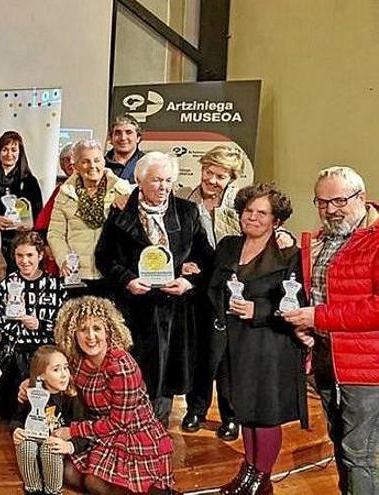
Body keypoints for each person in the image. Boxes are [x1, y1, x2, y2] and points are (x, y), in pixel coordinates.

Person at [94, 152, 213, 425]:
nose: (164, 187)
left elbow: (205, 255)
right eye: (157, 180)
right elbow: (104, 257)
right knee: (133, 375)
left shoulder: (187, 211)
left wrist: (187, 281)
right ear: (140, 180)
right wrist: (127, 280)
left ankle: (156, 431)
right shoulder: (120, 211)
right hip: (134, 309)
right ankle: (128, 428)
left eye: (169, 180)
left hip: (174, 312)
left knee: (165, 379)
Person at [283, 166, 379, 495]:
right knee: (339, 443)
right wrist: (308, 330)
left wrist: (318, 317)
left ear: (361, 198)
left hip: (368, 367)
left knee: (360, 453)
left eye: (339, 200)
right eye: (322, 202)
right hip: (326, 357)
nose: (331, 210)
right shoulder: (320, 241)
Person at [205, 184, 307, 494]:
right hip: (232, 342)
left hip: (269, 344)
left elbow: (297, 303)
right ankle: (248, 472)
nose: (253, 217)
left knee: (265, 413)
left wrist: (258, 309)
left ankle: (262, 479)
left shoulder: (290, 253)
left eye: (262, 213)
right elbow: (212, 285)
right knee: (244, 410)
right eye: (248, 211)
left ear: (277, 220)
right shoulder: (227, 246)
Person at [49, 296, 174, 494]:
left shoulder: (121, 366)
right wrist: (30, 383)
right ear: (73, 333)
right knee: (68, 473)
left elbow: (119, 423)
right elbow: (49, 365)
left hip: (133, 432)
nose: (90, 336)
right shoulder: (77, 360)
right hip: (101, 429)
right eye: (83, 329)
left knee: (93, 482)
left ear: (108, 330)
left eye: (97, 328)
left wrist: (72, 431)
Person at [0, 232, 66, 420]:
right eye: (19, 255)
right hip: (15, 350)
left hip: (45, 350)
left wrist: (41, 324)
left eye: (29, 255)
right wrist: (14, 325)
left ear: (40, 255)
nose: (24, 261)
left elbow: (64, 322)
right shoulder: (7, 285)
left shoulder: (55, 286)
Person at [47, 139, 133, 297]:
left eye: (97, 160)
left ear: (104, 161)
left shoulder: (122, 189)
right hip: (77, 274)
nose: (92, 166)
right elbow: (55, 233)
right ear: (76, 166)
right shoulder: (65, 193)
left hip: (111, 274)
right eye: (85, 161)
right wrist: (63, 259)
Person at [12, 345, 86, 495]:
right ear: (42, 375)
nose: (64, 374)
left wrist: (69, 445)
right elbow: (18, 418)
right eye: (56, 370)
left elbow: (83, 431)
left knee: (50, 448)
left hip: (55, 451)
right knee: (25, 444)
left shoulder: (71, 397)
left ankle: (53, 491)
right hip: (33, 447)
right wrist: (16, 430)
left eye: (66, 368)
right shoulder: (32, 394)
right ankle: (33, 489)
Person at [0, 131, 44, 263]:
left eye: (14, 150)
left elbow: (38, 214)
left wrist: (27, 225)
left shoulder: (30, 181)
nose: (9, 154)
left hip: (20, 242)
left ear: (20, 153)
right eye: (5, 149)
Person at [33, 142, 76, 275]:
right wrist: (46, 245)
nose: (71, 162)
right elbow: (43, 223)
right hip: (61, 252)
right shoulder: (60, 191)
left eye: (74, 158)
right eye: (66, 160)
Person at [104, 114, 145, 184]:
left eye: (129, 133)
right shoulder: (101, 165)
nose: (123, 138)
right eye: (118, 133)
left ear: (138, 138)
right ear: (111, 138)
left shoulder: (148, 164)